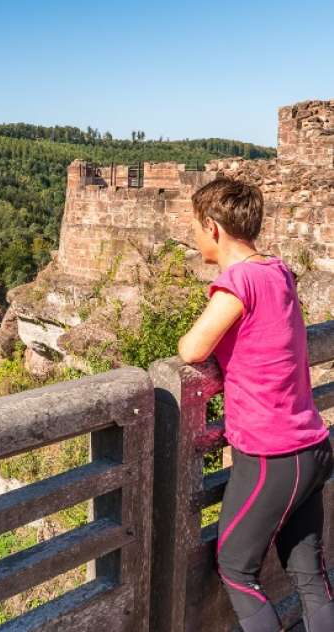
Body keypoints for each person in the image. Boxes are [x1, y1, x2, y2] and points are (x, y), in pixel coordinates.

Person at [177, 177, 333, 632]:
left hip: (272, 454)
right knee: (308, 573)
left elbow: (191, 350)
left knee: (236, 567)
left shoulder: (238, 282)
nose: (195, 237)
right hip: (312, 446)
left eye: (196, 227)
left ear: (213, 227)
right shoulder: (276, 269)